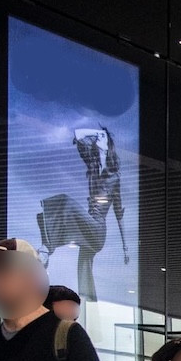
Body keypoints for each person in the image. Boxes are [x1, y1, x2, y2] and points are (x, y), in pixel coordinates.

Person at [35, 127, 128, 301]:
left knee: (65, 201)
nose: (98, 138)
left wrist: (125, 248)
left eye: (103, 137)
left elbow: (119, 213)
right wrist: (97, 133)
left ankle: (47, 248)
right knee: (84, 267)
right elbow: (78, 134)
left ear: (108, 146)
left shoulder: (114, 177)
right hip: (88, 225)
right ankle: (89, 302)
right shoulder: (93, 166)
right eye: (97, 137)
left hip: (97, 229)